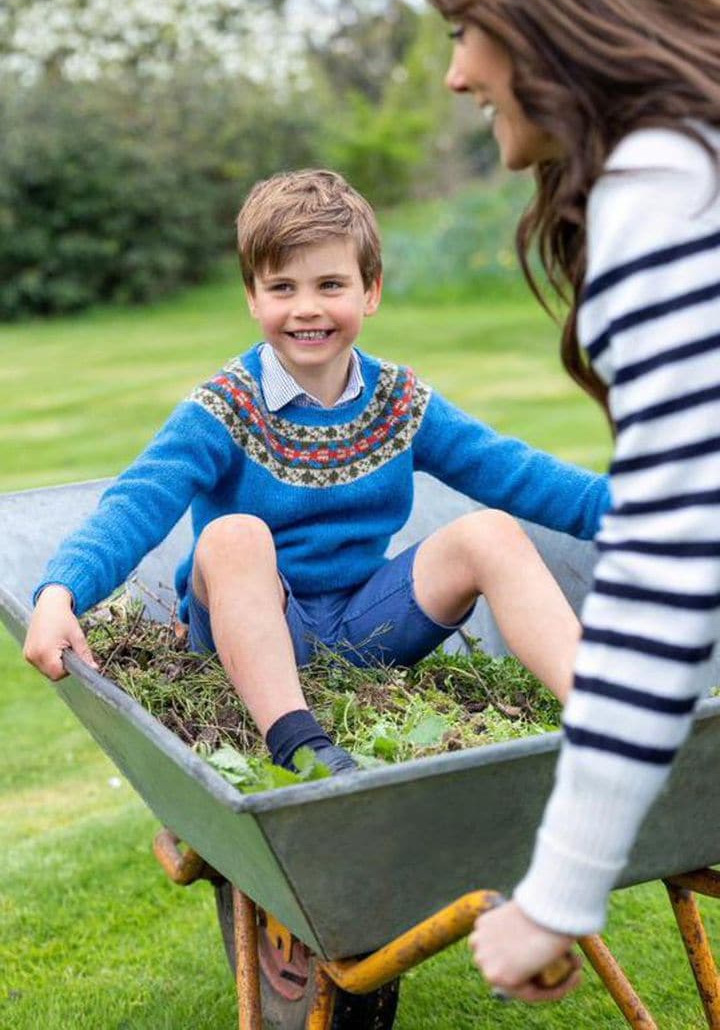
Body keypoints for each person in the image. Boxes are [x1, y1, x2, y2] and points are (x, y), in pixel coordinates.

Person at [25, 167, 607, 779]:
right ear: (252, 296)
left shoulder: (399, 401)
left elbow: (517, 473)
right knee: (233, 535)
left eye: (331, 284)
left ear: (370, 291)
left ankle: (600, 715)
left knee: (489, 530)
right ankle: (300, 745)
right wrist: (62, 590)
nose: (307, 308)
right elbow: (138, 501)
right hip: (248, 630)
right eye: (282, 287)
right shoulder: (226, 407)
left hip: (366, 625)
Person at [421, 0, 720, 1002]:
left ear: (546, 23)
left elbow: (672, 567)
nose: (455, 75)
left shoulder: (662, 192)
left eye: (466, 31)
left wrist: (559, 887)